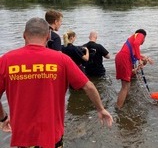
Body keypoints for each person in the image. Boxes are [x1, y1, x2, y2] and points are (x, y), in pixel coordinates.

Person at [0, 17, 113, 148]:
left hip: (23, 136)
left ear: (24, 35)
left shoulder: (6, 60)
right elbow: (89, 86)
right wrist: (101, 109)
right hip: (52, 135)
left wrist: (3, 118)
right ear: (48, 36)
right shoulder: (61, 59)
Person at [115, 29, 153, 109]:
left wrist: (144, 58)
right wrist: (139, 59)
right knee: (125, 87)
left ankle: (123, 103)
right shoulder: (140, 35)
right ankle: (118, 109)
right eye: (144, 39)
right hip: (124, 58)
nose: (143, 40)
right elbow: (136, 44)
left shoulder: (132, 42)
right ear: (144, 37)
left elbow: (135, 53)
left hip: (121, 58)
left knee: (127, 85)